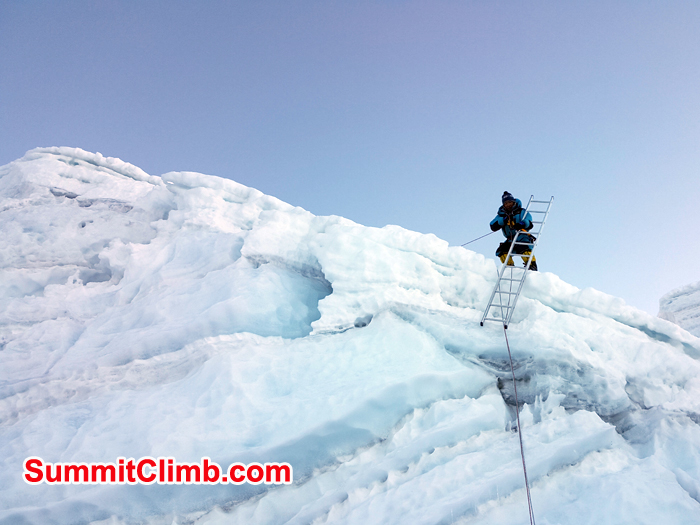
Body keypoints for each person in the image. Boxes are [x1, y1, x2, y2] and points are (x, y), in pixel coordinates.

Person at [490, 191, 538, 271]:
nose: (508, 205)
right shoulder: (501, 215)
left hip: (522, 235)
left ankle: (531, 265)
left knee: (523, 247)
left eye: (510, 202)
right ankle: (510, 268)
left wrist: (522, 224)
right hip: (510, 239)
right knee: (502, 251)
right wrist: (503, 220)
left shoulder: (521, 211)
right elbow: (492, 225)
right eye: (506, 203)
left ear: (513, 202)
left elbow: (529, 222)